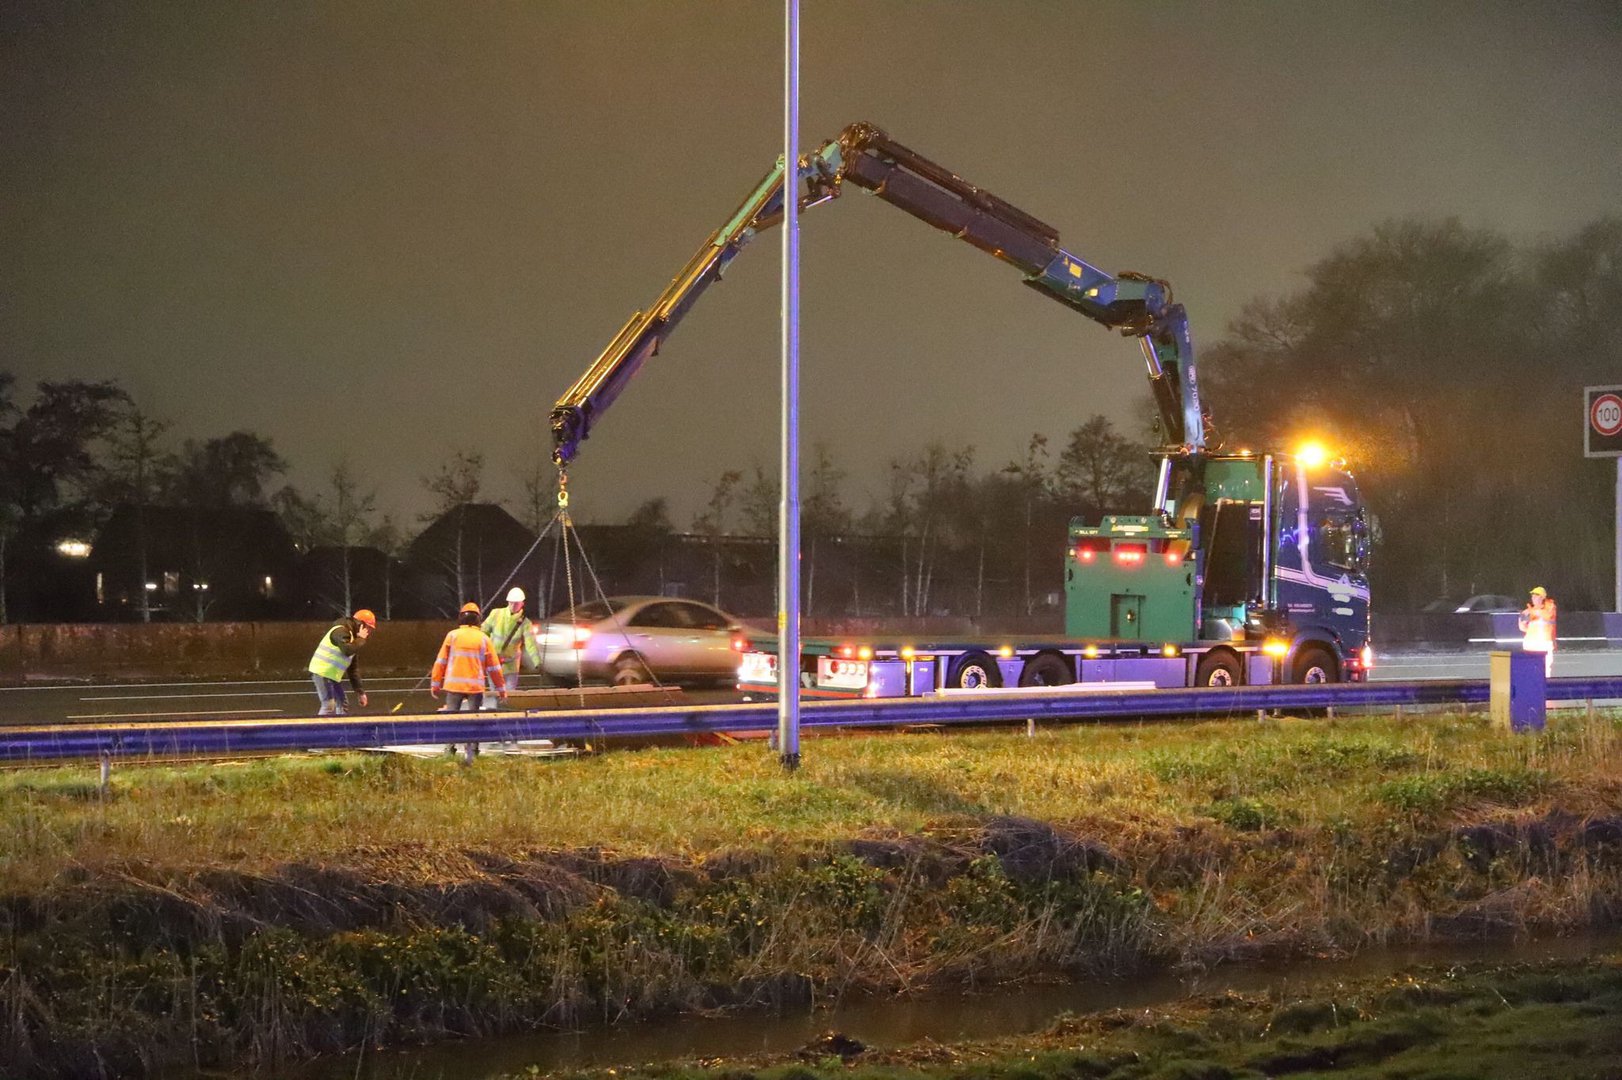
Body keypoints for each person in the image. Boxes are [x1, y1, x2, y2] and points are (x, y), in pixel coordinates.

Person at [431, 602, 507, 713]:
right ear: (478, 620)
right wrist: (501, 690)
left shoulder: (452, 636)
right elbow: (494, 668)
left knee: (451, 719)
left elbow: (440, 662)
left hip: (454, 687)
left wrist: (435, 684)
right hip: (475, 688)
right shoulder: (484, 639)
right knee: (474, 720)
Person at [480, 586, 541, 710]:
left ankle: (505, 716)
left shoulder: (525, 623)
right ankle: (496, 715)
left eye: (516, 603)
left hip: (511, 664)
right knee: (495, 693)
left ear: (522, 604)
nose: (513, 605)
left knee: (509, 695)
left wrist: (537, 662)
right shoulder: (496, 614)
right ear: (508, 602)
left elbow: (531, 644)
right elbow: (483, 632)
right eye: (511, 602)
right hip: (494, 662)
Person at [308, 609, 376, 716]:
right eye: (368, 628)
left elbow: (353, 669)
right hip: (322, 672)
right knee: (328, 705)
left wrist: (360, 692)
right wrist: (361, 639)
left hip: (331, 675)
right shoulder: (340, 631)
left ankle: (341, 729)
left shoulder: (353, 640)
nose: (368, 632)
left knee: (342, 704)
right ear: (360, 624)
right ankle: (318, 731)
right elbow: (347, 650)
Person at [1518, 586, 1557, 677]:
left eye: (1536, 595)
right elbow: (1522, 627)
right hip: (1531, 645)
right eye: (1532, 596)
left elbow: (1546, 614)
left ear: (1542, 597)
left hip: (1544, 645)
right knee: (1530, 670)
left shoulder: (1550, 608)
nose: (1533, 598)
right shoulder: (1527, 612)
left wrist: (1531, 613)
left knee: (1545, 671)